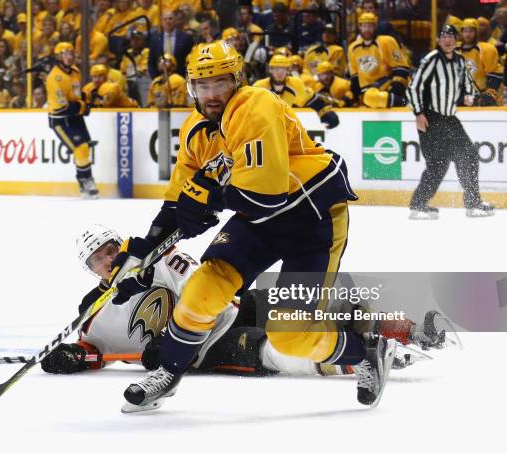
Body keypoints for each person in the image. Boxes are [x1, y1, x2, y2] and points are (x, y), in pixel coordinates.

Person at [111, 41, 396, 413]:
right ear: (192, 88)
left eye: (220, 84)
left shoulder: (254, 105)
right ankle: (168, 372)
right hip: (257, 223)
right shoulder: (197, 130)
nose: (212, 95)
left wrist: (209, 200)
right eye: (203, 86)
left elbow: (266, 198)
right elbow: (176, 204)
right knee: (200, 292)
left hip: (312, 219)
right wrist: (141, 254)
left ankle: (365, 352)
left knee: (289, 336)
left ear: (237, 80)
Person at [41, 225, 446, 377]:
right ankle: (380, 357)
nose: (109, 259)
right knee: (277, 352)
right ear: (92, 271)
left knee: (317, 304)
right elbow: (94, 347)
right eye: (99, 259)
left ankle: (409, 330)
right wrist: (73, 356)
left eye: (111, 249)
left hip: (233, 304)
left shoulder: (155, 257)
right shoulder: (94, 308)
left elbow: (199, 281)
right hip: (210, 348)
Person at [407, 25, 495, 219]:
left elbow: (467, 85)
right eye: (443, 36)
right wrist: (419, 113)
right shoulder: (431, 60)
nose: (447, 40)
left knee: (469, 156)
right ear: (439, 40)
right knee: (438, 164)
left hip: (449, 118)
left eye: (450, 36)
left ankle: (473, 203)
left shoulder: (460, 61)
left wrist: (469, 97)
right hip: (430, 118)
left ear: (456, 40)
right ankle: (418, 204)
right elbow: (413, 88)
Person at [46, 42, 98, 199]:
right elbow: (62, 108)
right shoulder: (55, 78)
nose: (69, 56)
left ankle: (84, 184)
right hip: (61, 120)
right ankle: (86, 182)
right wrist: (83, 106)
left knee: (84, 149)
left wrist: (88, 97)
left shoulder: (75, 72)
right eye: (65, 53)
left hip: (75, 117)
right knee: (80, 149)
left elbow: (74, 95)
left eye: (71, 53)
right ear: (59, 56)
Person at [253, 54, 340, 128]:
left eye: (283, 69)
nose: (279, 72)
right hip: (264, 125)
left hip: (286, 124)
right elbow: (249, 106)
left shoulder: (295, 84)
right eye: (276, 69)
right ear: (270, 70)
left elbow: (311, 99)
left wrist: (324, 112)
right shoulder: (260, 86)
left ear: (288, 71)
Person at [348, 13, 410, 108]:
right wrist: (356, 96)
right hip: (367, 90)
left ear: (375, 26)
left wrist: (395, 88)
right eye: (364, 26)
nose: (367, 29)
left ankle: (405, 102)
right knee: (368, 97)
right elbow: (354, 76)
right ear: (359, 27)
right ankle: (400, 102)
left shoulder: (387, 41)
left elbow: (401, 68)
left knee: (370, 97)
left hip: (386, 84)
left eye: (370, 26)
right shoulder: (352, 48)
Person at [458, 18, 503, 106]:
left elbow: (494, 75)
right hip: (463, 96)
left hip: (481, 95)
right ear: (462, 33)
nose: (468, 34)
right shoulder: (455, 50)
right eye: (465, 31)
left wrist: (488, 94)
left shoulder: (486, 49)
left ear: (476, 32)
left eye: (471, 31)